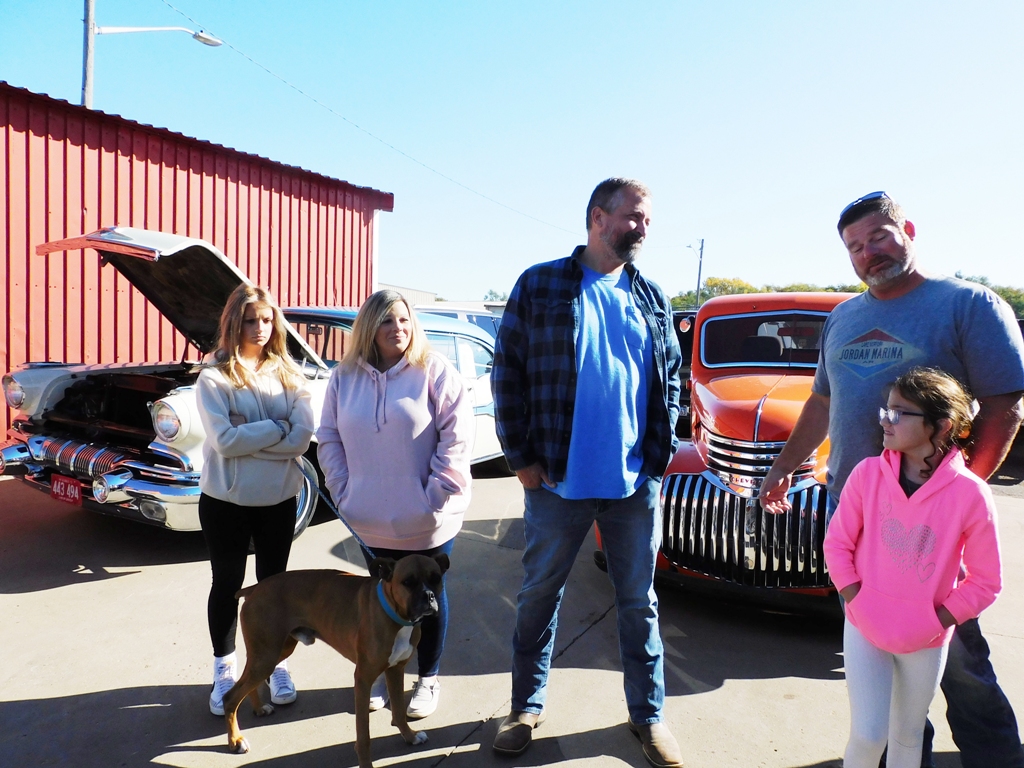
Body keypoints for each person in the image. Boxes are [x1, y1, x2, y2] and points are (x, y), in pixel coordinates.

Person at [760, 190, 1024, 768]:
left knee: (960, 662)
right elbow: (821, 404)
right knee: (883, 660)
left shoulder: (968, 304)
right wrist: (783, 467)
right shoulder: (843, 317)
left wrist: (955, 501)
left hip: (933, 527)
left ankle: (998, 759)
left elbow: (1005, 405)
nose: (868, 253)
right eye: (855, 246)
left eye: (878, 236)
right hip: (856, 517)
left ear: (908, 230)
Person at [490, 178, 684, 768]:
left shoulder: (651, 296)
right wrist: (521, 458)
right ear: (598, 217)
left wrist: (658, 457)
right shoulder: (541, 284)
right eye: (633, 217)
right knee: (537, 597)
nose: (642, 228)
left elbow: (671, 379)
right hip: (557, 482)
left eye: (647, 219)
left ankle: (647, 715)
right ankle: (525, 707)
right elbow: (507, 373)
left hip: (633, 486)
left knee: (639, 604)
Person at [824, 367, 1002, 768]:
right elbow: (837, 545)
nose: (885, 421)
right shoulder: (867, 474)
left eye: (899, 413)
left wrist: (935, 620)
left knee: (907, 737)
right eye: (885, 410)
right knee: (869, 735)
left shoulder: (971, 494)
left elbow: (986, 582)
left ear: (942, 426)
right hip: (864, 626)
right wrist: (858, 600)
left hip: (926, 638)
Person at [316, 289, 473, 720]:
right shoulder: (344, 377)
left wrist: (434, 495)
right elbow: (328, 436)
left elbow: (457, 437)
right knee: (382, 603)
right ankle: (385, 677)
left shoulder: (434, 371)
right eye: (387, 320)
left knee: (428, 600)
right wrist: (343, 491)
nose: (397, 328)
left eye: (404, 320)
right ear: (369, 326)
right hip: (368, 521)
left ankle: (428, 678)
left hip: (428, 521)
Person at [196, 284, 315, 716]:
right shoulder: (214, 377)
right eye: (251, 320)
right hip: (225, 501)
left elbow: (302, 439)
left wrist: (252, 433)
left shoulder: (291, 374)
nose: (260, 328)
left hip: (277, 500)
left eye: (267, 319)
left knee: (274, 586)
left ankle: (275, 664)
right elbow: (225, 442)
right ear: (234, 322)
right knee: (228, 585)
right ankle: (224, 670)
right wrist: (278, 428)